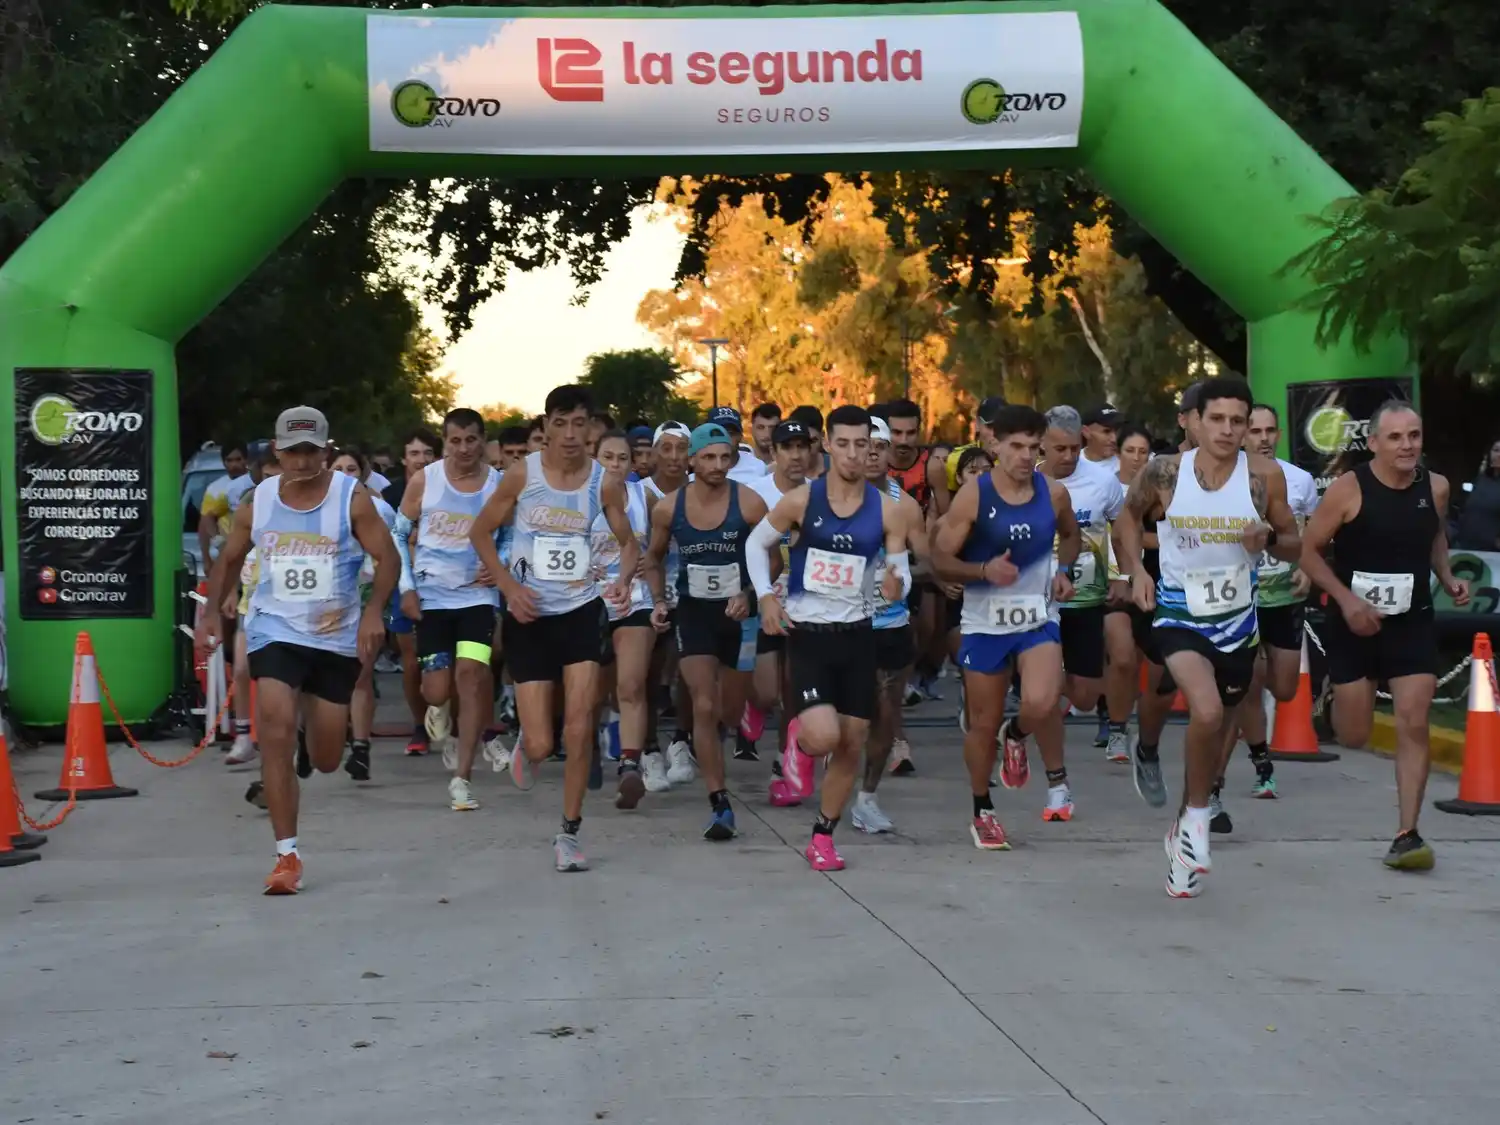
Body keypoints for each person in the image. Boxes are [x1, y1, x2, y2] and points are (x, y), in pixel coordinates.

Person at [1116, 377, 1300, 898]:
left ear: (1248, 427)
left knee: (1219, 729)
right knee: (1208, 711)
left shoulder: (1264, 478)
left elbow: (1293, 545)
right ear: (1197, 420)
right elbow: (1126, 519)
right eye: (1217, 419)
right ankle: (1198, 819)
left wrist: (1267, 539)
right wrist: (1136, 571)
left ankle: (1182, 830)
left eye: (1237, 421)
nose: (1227, 430)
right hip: (1178, 611)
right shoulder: (1165, 474)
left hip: (1238, 621)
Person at [201, 406, 397, 894]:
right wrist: (210, 616)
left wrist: (374, 613)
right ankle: (286, 855)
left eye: (312, 450)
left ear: (327, 451)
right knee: (275, 728)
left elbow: (387, 556)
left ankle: (312, 728)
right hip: (276, 628)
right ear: (277, 451)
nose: (303, 460)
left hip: (335, 637)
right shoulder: (258, 501)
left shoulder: (351, 499)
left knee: (327, 758)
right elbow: (229, 557)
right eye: (293, 451)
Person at [468, 386, 637, 871]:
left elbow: (629, 542)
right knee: (544, 744)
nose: (569, 434)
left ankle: (569, 832)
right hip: (530, 616)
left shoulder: (602, 483)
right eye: (560, 423)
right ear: (547, 425)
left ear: (591, 427)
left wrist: (623, 581)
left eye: (578, 424)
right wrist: (507, 587)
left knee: (580, 728)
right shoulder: (523, 475)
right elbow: (480, 532)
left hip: (581, 611)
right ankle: (530, 742)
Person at [1298, 402, 1469, 871]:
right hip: (1355, 624)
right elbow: (1310, 554)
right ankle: (1335, 696)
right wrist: (1347, 601)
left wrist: (1447, 575)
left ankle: (1407, 834)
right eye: (1395, 437)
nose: (1407, 445)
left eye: (1413, 435)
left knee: (1413, 721)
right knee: (1353, 734)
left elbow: (1434, 537)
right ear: (1373, 443)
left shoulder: (1435, 487)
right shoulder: (1348, 490)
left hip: (1411, 620)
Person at [749, 406, 910, 869]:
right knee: (824, 736)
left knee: (852, 741)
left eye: (864, 444)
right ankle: (798, 747)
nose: (855, 454)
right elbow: (755, 545)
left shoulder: (888, 512)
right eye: (844, 443)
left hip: (859, 635)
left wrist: (897, 582)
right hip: (809, 635)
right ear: (828, 444)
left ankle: (823, 835)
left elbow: (897, 569)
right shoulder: (802, 501)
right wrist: (765, 597)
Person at [931, 405, 1078, 849]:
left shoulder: (1052, 493)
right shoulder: (974, 495)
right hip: (985, 621)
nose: (1024, 457)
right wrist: (981, 571)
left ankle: (1016, 736)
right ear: (995, 445)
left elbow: (1071, 536)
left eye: (1033, 448)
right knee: (983, 722)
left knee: (1042, 700)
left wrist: (1064, 570)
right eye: (1016, 447)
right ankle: (983, 811)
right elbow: (939, 559)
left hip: (1036, 613)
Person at [642, 422, 769, 840]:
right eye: (708, 457)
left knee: (728, 713)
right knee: (702, 702)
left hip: (739, 618)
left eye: (724, 457)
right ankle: (719, 802)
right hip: (694, 614)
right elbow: (654, 558)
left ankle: (715, 740)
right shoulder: (669, 508)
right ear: (692, 460)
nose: (717, 465)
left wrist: (750, 593)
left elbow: (775, 560)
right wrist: (660, 600)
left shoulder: (749, 504)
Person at [1216, 402, 1320, 815]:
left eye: (1269, 430)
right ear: (1242, 435)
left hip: (1285, 597)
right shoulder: (1226, 478)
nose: (1262, 437)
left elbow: (1315, 531)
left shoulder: (1298, 480)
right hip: (1242, 598)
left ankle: (1258, 754)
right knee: (1246, 684)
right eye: (1254, 430)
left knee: (1284, 687)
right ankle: (1224, 781)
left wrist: (1310, 570)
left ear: (1278, 434)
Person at [395, 408, 502, 811]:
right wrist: (406, 587)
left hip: (476, 597)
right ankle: (436, 709)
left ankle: (463, 777)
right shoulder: (427, 481)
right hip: (432, 597)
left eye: (471, 439)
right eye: (455, 441)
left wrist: (502, 563)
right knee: (436, 689)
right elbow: (397, 533)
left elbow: (510, 533)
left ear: (482, 440)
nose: (463, 448)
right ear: (445, 443)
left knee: (471, 676)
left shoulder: (497, 485)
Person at [851, 417, 928, 832]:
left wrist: (906, 573)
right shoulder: (829, 501)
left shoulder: (905, 505)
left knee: (884, 716)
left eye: (881, 445)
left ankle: (866, 797)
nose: (875, 452)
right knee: (847, 722)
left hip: (891, 623)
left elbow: (928, 557)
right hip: (844, 624)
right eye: (867, 444)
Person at [1039, 406, 1125, 766]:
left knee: (1086, 697)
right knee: (1039, 690)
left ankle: (1058, 677)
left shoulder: (1103, 481)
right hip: (1037, 601)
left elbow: (1122, 531)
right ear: (1041, 443)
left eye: (1075, 448)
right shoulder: (1022, 477)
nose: (1069, 456)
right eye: (1060, 449)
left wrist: (1123, 576)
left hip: (1085, 597)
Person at [591, 430, 657, 810]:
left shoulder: (642, 497)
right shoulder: (576, 500)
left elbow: (661, 545)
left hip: (634, 602)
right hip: (586, 604)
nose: (615, 465)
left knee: (631, 684)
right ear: (594, 458)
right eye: (607, 457)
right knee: (593, 692)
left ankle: (629, 765)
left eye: (622, 458)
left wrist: (653, 563)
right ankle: (592, 746)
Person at [747, 419, 812, 781]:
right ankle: (751, 706)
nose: (797, 455)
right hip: (764, 599)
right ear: (774, 452)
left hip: (805, 605)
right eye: (788, 447)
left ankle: (783, 761)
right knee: (766, 692)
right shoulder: (754, 492)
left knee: (793, 690)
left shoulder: (820, 494)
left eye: (803, 447)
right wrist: (756, 592)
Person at [331, 448, 397, 782]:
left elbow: (391, 556)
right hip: (322, 600)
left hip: (365, 595)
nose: (344, 473)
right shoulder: (316, 507)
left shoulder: (379, 508)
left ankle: (360, 747)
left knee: (361, 672)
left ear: (363, 472)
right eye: (338, 467)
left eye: (351, 468)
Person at [1456, 437, 1500, 549]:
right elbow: (1461, 510)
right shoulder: (1478, 480)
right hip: (1467, 549)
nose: (1499, 455)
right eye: (1496, 450)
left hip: (1494, 555)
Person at [706, 406, 770, 483]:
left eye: (731, 433)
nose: (725, 438)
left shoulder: (758, 468)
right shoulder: (699, 468)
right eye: (719, 433)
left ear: (740, 436)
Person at [382, 429, 438, 510]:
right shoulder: (389, 495)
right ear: (403, 459)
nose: (422, 460)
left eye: (428, 453)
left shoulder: (446, 491)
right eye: (414, 454)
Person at [1081, 404, 1123, 473]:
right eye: (1106, 431)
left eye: (1116, 431)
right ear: (1086, 432)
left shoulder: (1125, 467)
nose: (1114, 439)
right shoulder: (1070, 465)